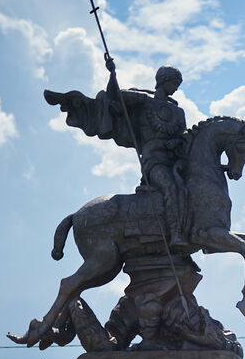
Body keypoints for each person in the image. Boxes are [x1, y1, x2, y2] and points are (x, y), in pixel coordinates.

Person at [45, 65, 189, 247]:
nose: (177, 88)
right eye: (175, 83)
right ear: (163, 81)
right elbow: (114, 96)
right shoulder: (144, 100)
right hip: (155, 162)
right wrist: (112, 74)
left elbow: (184, 136)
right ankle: (175, 233)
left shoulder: (178, 111)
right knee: (170, 187)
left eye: (178, 84)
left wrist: (177, 142)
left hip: (176, 161)